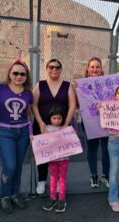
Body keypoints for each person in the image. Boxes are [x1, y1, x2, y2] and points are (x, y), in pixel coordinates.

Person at [0, 58, 33, 214]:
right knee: (10, 165)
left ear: (26, 76)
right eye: (15, 73)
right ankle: (4, 195)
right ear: (9, 74)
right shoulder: (0, 89)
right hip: (4, 132)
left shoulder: (28, 94)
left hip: (22, 132)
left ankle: (15, 193)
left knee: (18, 166)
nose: (19, 76)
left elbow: (28, 114)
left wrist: (30, 134)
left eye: (22, 74)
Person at [32, 59, 76, 195]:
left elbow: (72, 105)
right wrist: (40, 122)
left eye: (57, 67)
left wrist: (66, 124)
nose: (54, 70)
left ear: (61, 70)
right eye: (51, 67)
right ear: (46, 68)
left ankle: (57, 181)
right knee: (43, 154)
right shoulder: (40, 85)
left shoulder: (67, 85)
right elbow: (33, 104)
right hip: (43, 127)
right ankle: (41, 180)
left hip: (60, 128)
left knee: (59, 157)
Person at [84, 57, 110, 188]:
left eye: (97, 67)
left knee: (107, 150)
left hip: (107, 121)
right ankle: (93, 175)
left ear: (101, 69)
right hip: (90, 122)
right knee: (92, 149)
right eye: (92, 67)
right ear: (88, 69)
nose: (95, 69)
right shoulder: (81, 85)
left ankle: (106, 175)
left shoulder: (107, 84)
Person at [42, 104, 69, 213]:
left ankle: (62, 199)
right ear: (50, 118)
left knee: (62, 179)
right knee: (53, 178)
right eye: (54, 118)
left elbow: (72, 140)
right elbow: (42, 142)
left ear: (63, 118)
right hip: (52, 160)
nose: (57, 121)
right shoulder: (47, 129)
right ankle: (52, 197)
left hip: (64, 159)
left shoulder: (65, 128)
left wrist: (73, 134)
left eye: (59, 118)